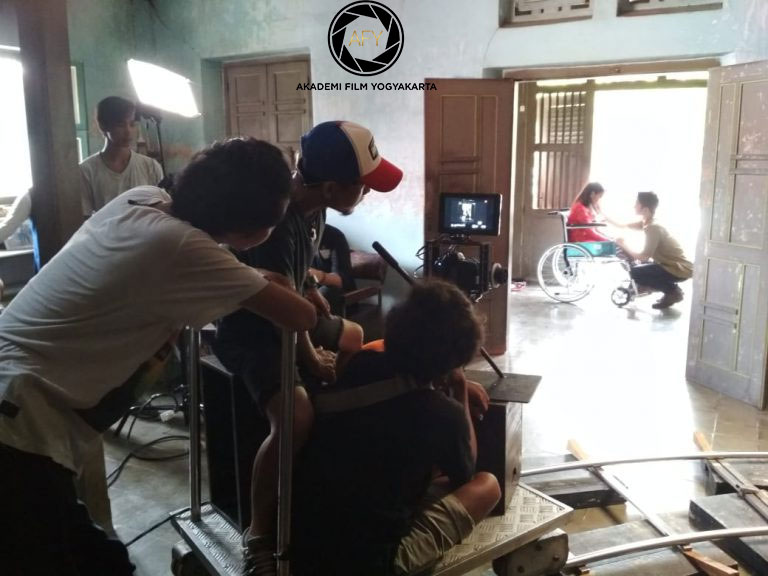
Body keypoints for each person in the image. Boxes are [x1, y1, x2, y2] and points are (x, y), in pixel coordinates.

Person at [0, 138, 317, 575]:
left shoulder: (142, 200)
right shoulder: (184, 248)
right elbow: (301, 315)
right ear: (251, 230)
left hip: (22, 404)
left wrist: (255, 275)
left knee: (100, 559)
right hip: (19, 423)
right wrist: (273, 282)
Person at [213, 120, 403, 576]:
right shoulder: (277, 223)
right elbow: (280, 308)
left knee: (354, 341)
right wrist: (313, 357)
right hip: (252, 332)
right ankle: (259, 534)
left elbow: (296, 280)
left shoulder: (316, 212)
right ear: (333, 187)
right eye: (363, 186)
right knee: (295, 416)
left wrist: (316, 299)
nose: (367, 193)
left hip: (289, 317)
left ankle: (317, 484)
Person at [291, 280, 500, 576]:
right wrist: (460, 386)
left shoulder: (360, 363)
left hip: (304, 543)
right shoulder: (443, 413)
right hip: (372, 564)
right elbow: (465, 473)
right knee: (487, 485)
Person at [80, 96, 164, 217]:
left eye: (132, 124)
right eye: (120, 125)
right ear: (103, 126)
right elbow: (85, 217)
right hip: (105, 229)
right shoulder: (87, 171)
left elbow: (161, 212)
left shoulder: (150, 166)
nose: (128, 131)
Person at [614, 191, 693, 309]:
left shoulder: (653, 227)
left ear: (645, 209)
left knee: (635, 273)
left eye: (637, 203)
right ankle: (669, 291)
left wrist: (623, 245)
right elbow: (622, 225)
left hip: (677, 269)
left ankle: (673, 292)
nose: (634, 206)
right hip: (673, 265)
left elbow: (644, 256)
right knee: (639, 268)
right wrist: (601, 214)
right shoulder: (648, 221)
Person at [309, 223, 357, 316]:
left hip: (342, 296)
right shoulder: (296, 236)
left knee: (324, 293)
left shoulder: (334, 236)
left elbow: (341, 280)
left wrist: (317, 275)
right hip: (312, 290)